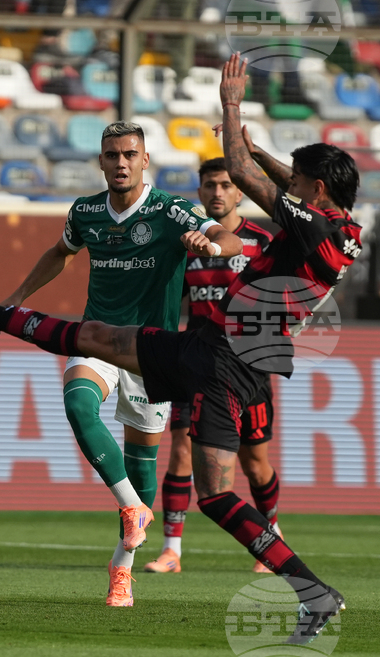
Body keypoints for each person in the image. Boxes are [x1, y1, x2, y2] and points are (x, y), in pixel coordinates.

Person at [0, 53, 360, 645]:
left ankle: (312, 591)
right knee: (98, 336)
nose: (286, 186)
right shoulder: (336, 227)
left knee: (216, 494)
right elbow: (272, 183)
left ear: (314, 191)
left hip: (227, 361)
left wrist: (232, 107)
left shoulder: (312, 227)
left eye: (296, 181)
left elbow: (245, 179)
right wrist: (256, 152)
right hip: (218, 350)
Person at [2, 120, 243, 607]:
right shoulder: (86, 211)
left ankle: (123, 567)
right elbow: (59, 253)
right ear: (101, 161)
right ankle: (133, 510)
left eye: (129, 154)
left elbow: (229, 238)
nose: (120, 163)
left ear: (145, 160)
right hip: (96, 338)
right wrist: (14, 299)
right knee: (77, 404)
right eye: (112, 155)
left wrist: (211, 245)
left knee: (142, 463)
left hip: (150, 351)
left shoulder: (172, 211)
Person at [143, 157, 278, 576]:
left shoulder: (261, 241)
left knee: (255, 463)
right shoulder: (190, 243)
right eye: (209, 186)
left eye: (224, 185)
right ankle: (171, 551)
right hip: (194, 362)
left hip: (247, 369)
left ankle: (271, 540)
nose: (217, 193)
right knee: (180, 452)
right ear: (199, 192)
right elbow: (168, 298)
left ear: (239, 192)